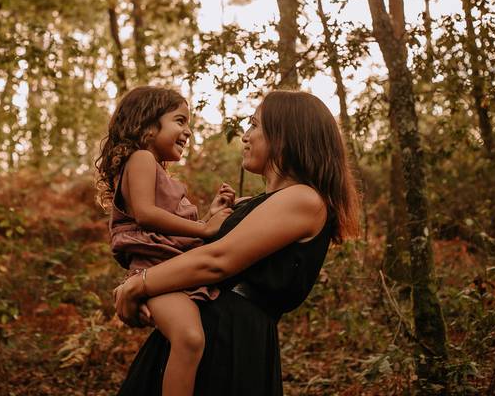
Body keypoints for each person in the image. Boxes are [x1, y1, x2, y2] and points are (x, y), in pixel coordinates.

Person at [113, 90, 360, 395]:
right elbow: (188, 253)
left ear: (285, 134)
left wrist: (139, 285)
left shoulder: (304, 198)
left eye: (254, 125)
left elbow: (217, 260)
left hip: (232, 343)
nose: (245, 136)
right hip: (199, 335)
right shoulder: (252, 203)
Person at [95, 86, 236, 396]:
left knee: (195, 339)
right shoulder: (142, 158)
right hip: (155, 271)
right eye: (179, 121)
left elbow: (171, 222)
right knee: (189, 339)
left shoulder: (155, 169)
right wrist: (205, 229)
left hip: (174, 270)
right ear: (147, 123)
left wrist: (210, 216)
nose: (187, 131)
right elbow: (145, 214)